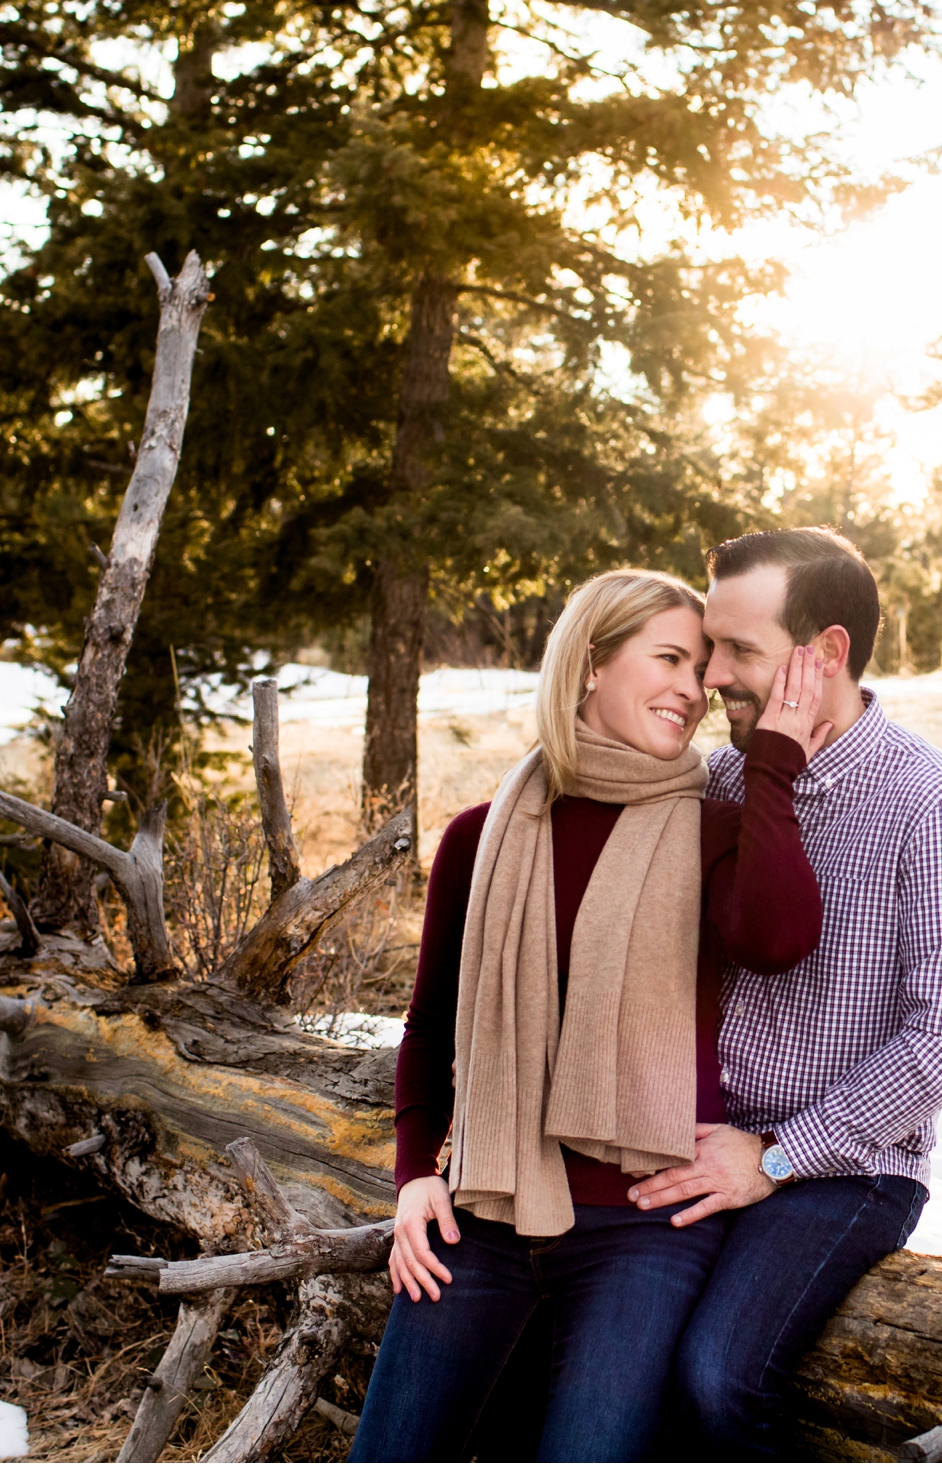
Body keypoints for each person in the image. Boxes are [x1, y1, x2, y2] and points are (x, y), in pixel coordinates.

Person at [350, 568, 831, 1462]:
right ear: (590, 666)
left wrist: (773, 759)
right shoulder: (481, 838)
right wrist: (416, 1172)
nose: (696, 688)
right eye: (671, 659)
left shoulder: (711, 829)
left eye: (705, 667)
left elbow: (777, 935)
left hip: (642, 1230)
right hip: (485, 1210)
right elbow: (428, 1027)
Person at [628, 527, 942, 1458]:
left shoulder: (936, 804)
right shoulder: (723, 774)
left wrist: (774, 1156)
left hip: (847, 1164)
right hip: (696, 1131)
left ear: (827, 652)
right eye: (710, 644)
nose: (711, 673)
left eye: (740, 650)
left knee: (718, 1373)